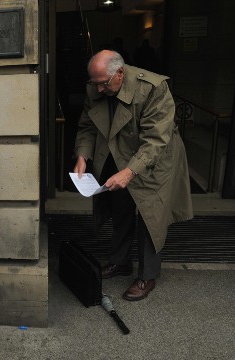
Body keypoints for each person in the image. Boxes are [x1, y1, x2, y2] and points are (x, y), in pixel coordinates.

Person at [72, 50, 193, 301]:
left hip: (155, 158)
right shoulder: (97, 87)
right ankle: (120, 262)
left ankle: (147, 275)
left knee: (150, 215)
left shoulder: (153, 88)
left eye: (104, 84)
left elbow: (156, 140)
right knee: (120, 208)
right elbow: (87, 126)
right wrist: (82, 156)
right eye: (96, 84)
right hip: (118, 152)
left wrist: (129, 172)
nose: (100, 90)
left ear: (120, 72)